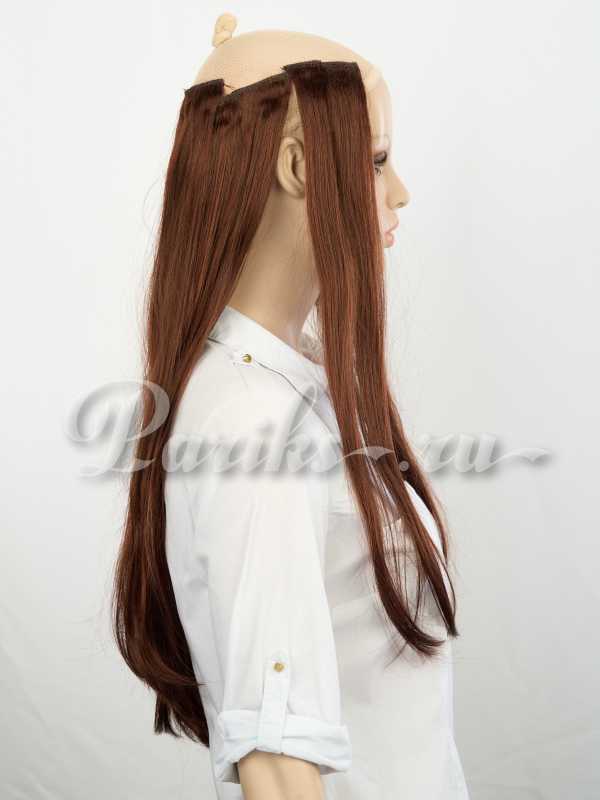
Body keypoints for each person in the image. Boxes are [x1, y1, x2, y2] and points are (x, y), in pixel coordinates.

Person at [112, 13, 470, 800]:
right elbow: (275, 761)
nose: (399, 191)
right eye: (377, 159)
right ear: (300, 166)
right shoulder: (252, 423)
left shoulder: (288, 385)